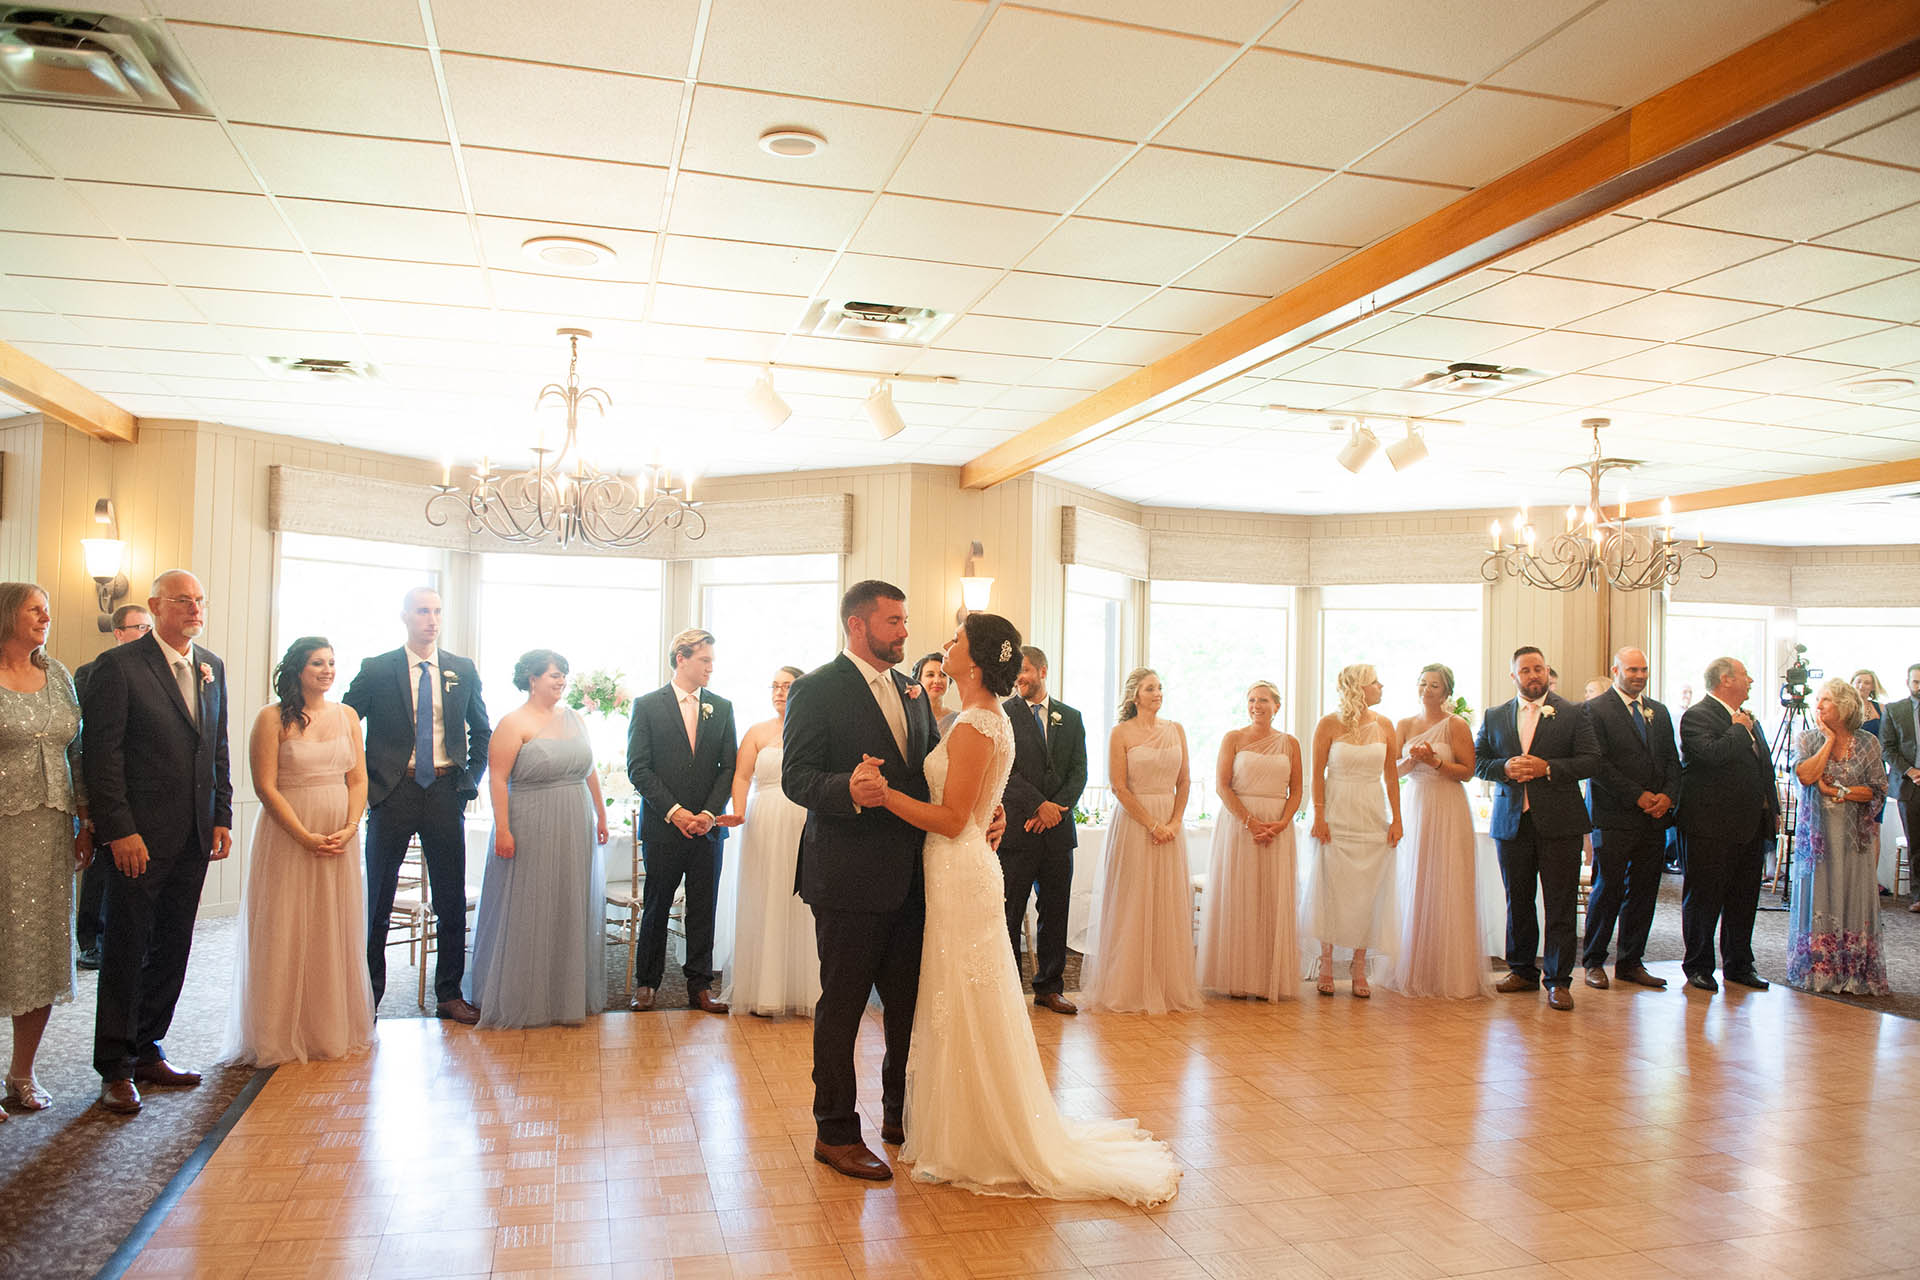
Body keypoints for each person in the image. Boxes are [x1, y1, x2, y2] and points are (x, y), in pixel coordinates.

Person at [869, 612, 1181, 1204]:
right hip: (966, 868)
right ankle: (966, 1122)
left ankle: (980, 1135)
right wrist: (993, 810)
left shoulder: (974, 725)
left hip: (960, 869)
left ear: (979, 659)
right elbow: (981, 801)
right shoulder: (990, 719)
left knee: (964, 997)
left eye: (957, 641)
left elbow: (953, 818)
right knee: (964, 997)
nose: (946, 645)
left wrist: (884, 797)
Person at [783, 581, 943, 1182]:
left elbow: (923, 775)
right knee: (843, 1009)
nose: (905, 631)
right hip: (847, 878)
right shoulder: (816, 689)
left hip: (911, 877)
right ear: (858, 626)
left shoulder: (911, 690)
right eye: (894, 621)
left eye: (905, 620)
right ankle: (836, 1132)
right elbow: (798, 776)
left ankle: (899, 1116)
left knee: (906, 1007)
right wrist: (844, 789)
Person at [82, 570, 232, 1115]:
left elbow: (217, 749)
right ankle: (115, 1066)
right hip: (138, 838)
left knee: (173, 946)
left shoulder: (211, 666)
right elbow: (104, 757)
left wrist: (222, 815)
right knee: (127, 948)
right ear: (155, 605)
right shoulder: (118, 667)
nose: (194, 608)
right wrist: (120, 829)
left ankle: (148, 1049)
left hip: (194, 834)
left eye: (199, 600)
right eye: (182, 601)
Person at [223, 637, 374, 1065]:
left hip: (338, 833)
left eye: (330, 662)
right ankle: (277, 1031)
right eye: (316, 663)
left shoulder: (347, 716)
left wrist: (349, 827)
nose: (327, 670)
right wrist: (304, 836)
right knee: (286, 924)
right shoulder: (271, 718)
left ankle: (327, 1027)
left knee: (333, 924)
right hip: (289, 833)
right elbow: (264, 786)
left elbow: (358, 779)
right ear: (297, 670)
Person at [344, 587, 491, 1023]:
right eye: (423, 611)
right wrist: (366, 785)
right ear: (405, 616)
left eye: (437, 612)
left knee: (450, 898)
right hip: (393, 792)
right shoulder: (377, 668)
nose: (431, 619)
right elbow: (346, 724)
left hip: (445, 792)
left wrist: (468, 781)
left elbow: (481, 729)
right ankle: (367, 998)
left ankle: (449, 993)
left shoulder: (462, 669)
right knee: (379, 901)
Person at [467, 650, 609, 1028]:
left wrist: (601, 813)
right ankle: (521, 994)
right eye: (552, 675)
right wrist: (503, 828)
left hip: (575, 819)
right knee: (530, 902)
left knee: (567, 899)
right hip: (530, 821)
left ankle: (564, 993)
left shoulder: (575, 718)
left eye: (563, 675)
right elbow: (496, 778)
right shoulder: (513, 722)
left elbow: (590, 769)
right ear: (532, 679)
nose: (560, 681)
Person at [0, 583, 90, 1117]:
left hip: (51, 830)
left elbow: (77, 752)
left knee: (39, 947)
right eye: (35, 608)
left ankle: (21, 1073)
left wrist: (87, 820)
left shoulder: (57, 675)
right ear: (8, 614)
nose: (45, 616)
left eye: (48, 610)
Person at [1473, 646, 1598, 1011]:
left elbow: (1592, 760)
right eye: (1525, 670)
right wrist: (1505, 768)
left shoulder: (1574, 712)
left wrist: (1547, 768)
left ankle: (1558, 980)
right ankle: (1522, 970)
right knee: (1519, 900)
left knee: (1559, 903)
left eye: (1538, 669)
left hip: (1560, 822)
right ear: (1514, 676)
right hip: (1512, 822)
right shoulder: (1495, 715)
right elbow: (1480, 762)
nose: (1533, 675)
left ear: (1547, 672)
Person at [626, 628, 737, 1014]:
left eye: (711, 660)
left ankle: (700, 986)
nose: (711, 667)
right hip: (663, 826)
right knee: (657, 905)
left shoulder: (721, 707)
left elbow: (729, 768)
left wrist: (707, 814)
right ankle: (647, 983)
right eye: (704, 659)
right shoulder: (647, 705)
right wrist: (675, 812)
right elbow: (638, 768)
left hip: (708, 829)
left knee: (703, 908)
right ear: (681, 659)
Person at [1081, 668, 1203, 1014]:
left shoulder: (1176, 730)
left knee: (1167, 900)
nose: (1158, 693)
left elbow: (1185, 781)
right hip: (1135, 823)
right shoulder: (1121, 733)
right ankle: (1128, 984)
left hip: (1170, 823)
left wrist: (1175, 821)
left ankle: (1166, 984)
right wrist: (1151, 823)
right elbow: (1119, 786)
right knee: (1134, 899)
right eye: (1151, 688)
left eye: (1160, 688)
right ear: (1135, 695)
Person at [720, 665, 819, 1017]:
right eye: (775, 686)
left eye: (787, 686)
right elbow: (742, 776)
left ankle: (804, 989)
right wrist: (740, 810)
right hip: (763, 822)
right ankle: (765, 991)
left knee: (803, 903)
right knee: (767, 896)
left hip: (804, 821)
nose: (779, 692)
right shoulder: (757, 732)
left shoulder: (813, 730)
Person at [1386, 663, 1489, 999]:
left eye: (1434, 685)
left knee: (1447, 881)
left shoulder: (1455, 724)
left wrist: (1436, 763)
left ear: (1447, 692)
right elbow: (1393, 769)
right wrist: (1413, 762)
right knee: (1414, 880)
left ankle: (1451, 973)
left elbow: (1468, 771)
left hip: (1447, 805)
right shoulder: (1403, 724)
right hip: (1416, 804)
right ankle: (1414, 966)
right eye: (1422, 683)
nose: (1426, 690)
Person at [1580, 647, 1679, 991]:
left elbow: (1670, 760)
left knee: (1644, 891)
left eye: (1644, 670)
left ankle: (1631, 961)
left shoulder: (1659, 711)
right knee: (1607, 889)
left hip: (1654, 818)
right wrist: (1637, 795)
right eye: (1632, 669)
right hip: (1614, 815)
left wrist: (1668, 796)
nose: (1639, 675)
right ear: (1616, 670)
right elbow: (1598, 764)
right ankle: (1594, 960)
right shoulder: (1595, 709)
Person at [1678, 656, 1779, 992]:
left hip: (1751, 826)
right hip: (1710, 827)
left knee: (1743, 898)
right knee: (1705, 899)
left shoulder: (1748, 718)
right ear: (1726, 680)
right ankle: (1698, 966)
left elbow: (1763, 767)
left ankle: (1739, 964)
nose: (1751, 680)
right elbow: (1712, 755)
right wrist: (1738, 729)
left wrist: (1773, 810)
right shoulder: (1697, 716)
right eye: (1745, 675)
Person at [1196, 680, 1301, 1000]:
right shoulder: (1234, 738)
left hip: (1277, 826)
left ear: (1277, 706)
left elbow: (1297, 790)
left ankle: (1268, 977)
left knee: (1270, 896)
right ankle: (1236, 977)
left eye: (1264, 700)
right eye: (1252, 700)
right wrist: (1250, 822)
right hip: (1239, 826)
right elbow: (1222, 786)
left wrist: (1282, 822)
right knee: (1240, 896)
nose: (1257, 705)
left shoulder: (1290, 743)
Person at [997, 645, 1088, 1015]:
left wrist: (1056, 810)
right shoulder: (1003, 715)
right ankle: (1007, 992)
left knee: (1055, 911)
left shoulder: (1071, 716)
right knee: (1010, 912)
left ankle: (1049, 987)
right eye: (1017, 672)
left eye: (1026, 671)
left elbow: (1078, 772)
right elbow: (1005, 772)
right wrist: (1038, 806)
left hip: (1057, 834)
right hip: (1018, 832)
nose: (1020, 677)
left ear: (1043, 671)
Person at [1304, 664, 1402, 998]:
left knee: (1367, 889)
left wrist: (1397, 819)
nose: (1381, 685)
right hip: (1336, 809)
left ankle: (1360, 967)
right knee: (1330, 887)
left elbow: (1392, 776)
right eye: (1375, 682)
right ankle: (1327, 963)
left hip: (1372, 811)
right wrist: (1319, 815)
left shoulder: (1385, 725)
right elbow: (1317, 774)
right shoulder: (1328, 724)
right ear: (1359, 688)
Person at [1788, 678, 1889, 994]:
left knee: (1852, 893)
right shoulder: (1807, 739)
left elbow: (1876, 790)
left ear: (1844, 706)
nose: (1818, 706)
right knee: (1821, 891)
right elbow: (1805, 775)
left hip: (1854, 837)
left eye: (1825, 700)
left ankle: (1855, 969)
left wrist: (1841, 791)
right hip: (1817, 837)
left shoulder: (1869, 743)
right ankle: (1822, 968)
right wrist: (1829, 740)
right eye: (1817, 700)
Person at [72, 603, 149, 971]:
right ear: (118, 632)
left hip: (145, 788)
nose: (145, 633)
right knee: (101, 869)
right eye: (138, 627)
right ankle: (91, 941)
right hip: (105, 783)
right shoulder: (91, 672)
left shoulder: (160, 673)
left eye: (148, 627)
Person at [1878, 664, 1920, 913]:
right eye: (1916, 682)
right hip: (1909, 785)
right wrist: (1911, 771)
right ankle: (1917, 895)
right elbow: (1887, 747)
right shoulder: (1894, 710)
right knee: (1917, 844)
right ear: (1908, 683)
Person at [914, 652, 957, 737]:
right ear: (919, 681)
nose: (937, 681)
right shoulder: (910, 717)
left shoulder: (957, 720)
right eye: (930, 675)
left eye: (943, 675)